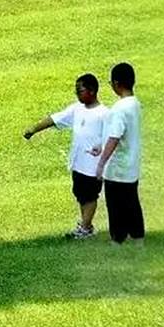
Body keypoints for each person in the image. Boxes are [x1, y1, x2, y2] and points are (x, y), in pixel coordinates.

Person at [23, 73, 111, 239]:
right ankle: (87, 225)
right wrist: (34, 129)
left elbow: (112, 138)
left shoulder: (105, 114)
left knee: (90, 196)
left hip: (94, 166)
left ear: (92, 91)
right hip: (78, 162)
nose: (77, 94)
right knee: (80, 194)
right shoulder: (76, 108)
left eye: (80, 90)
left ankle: (85, 228)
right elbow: (55, 119)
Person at [96, 61, 144, 245]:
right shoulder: (135, 104)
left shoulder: (119, 109)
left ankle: (118, 239)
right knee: (132, 203)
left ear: (116, 84)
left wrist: (101, 163)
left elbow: (114, 137)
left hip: (117, 168)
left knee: (115, 206)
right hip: (131, 166)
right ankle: (138, 237)